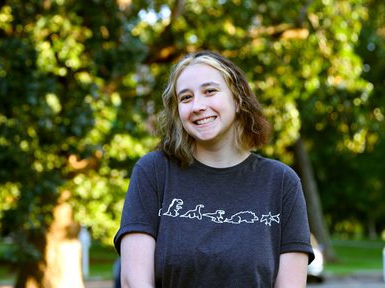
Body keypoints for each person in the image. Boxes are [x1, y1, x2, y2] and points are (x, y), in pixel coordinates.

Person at [114, 50, 314, 288]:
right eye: (186, 98)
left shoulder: (281, 183)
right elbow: (133, 281)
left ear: (238, 100)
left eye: (210, 91)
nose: (197, 106)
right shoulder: (153, 172)